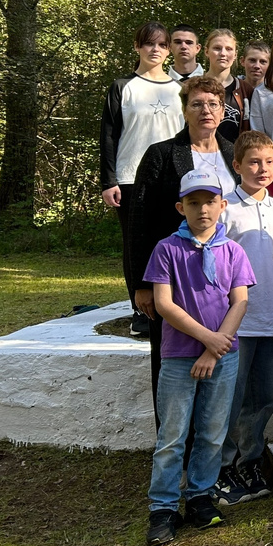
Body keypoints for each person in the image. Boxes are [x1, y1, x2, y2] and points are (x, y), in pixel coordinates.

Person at [143, 169, 254, 546]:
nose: (202, 209)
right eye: (193, 202)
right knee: (173, 435)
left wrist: (214, 348)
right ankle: (163, 507)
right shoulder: (167, 250)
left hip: (222, 358)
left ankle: (200, 497)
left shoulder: (233, 251)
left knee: (211, 431)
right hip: (179, 357)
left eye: (209, 201)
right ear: (181, 207)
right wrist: (207, 339)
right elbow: (163, 304)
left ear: (222, 206)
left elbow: (240, 301)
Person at [131, 77, 240, 422]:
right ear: (184, 109)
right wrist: (140, 284)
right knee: (171, 363)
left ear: (223, 110)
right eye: (197, 104)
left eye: (212, 104)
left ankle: (210, 454)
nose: (205, 110)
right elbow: (139, 221)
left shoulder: (235, 152)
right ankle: (173, 443)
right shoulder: (161, 155)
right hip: (172, 276)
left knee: (218, 364)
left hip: (224, 275)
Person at [213, 131, 273, 507]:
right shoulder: (227, 210)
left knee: (263, 398)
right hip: (236, 323)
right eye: (254, 162)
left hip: (269, 318)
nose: (263, 169)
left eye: (269, 162)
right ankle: (221, 468)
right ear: (237, 165)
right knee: (231, 397)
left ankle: (250, 460)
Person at [101, 21, 185, 331]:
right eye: (149, 44)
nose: (156, 50)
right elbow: (109, 137)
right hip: (129, 177)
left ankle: (173, 308)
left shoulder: (179, 89)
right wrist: (108, 180)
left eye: (162, 45)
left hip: (171, 177)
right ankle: (142, 311)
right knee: (137, 243)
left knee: (172, 242)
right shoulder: (123, 87)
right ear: (137, 47)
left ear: (168, 50)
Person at [204, 29, 245, 142]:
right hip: (196, 154)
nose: (223, 53)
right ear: (206, 51)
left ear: (235, 55)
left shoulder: (245, 90)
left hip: (234, 156)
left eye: (229, 49)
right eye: (217, 48)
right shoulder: (191, 87)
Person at [238, 41, 271, 112]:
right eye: (252, 60)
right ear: (242, 61)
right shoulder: (234, 90)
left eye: (263, 62)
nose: (257, 66)